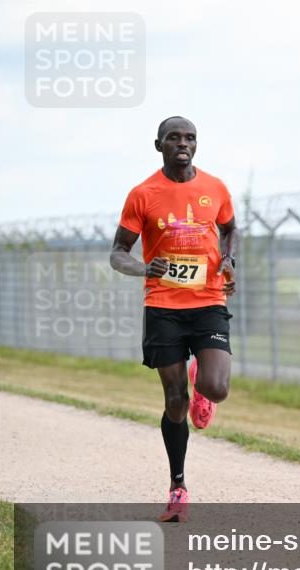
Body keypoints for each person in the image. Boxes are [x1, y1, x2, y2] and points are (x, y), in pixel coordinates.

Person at [109, 116, 240, 522]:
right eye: (174, 138)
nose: (182, 143)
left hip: (208, 300)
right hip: (163, 305)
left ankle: (202, 377)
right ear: (158, 145)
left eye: (190, 138)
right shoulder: (142, 194)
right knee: (174, 400)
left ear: (196, 145)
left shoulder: (215, 187)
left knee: (215, 389)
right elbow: (118, 253)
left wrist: (231, 259)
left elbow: (231, 229)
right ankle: (178, 486)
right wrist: (144, 268)